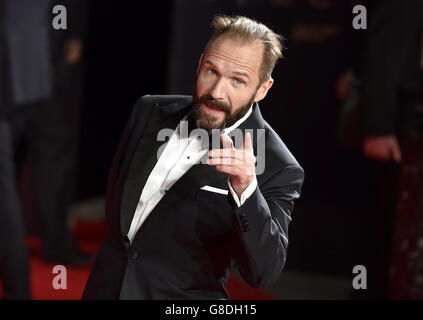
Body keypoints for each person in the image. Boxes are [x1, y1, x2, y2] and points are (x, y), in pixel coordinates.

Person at [83, 15, 304, 300]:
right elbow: (117, 211)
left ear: (262, 89)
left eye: (238, 80)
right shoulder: (148, 111)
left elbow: (264, 273)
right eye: (212, 71)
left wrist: (246, 188)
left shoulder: (276, 164)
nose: (216, 92)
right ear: (200, 64)